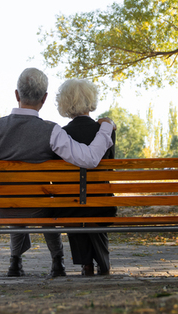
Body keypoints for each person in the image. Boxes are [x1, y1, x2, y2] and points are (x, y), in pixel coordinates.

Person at [0, 68, 116, 278]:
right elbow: (90, 158)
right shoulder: (52, 131)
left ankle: (15, 262)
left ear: (16, 95)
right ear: (45, 98)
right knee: (46, 201)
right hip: (38, 209)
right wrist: (106, 129)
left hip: (1, 209)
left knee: (12, 198)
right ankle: (57, 261)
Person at [55, 79, 117, 276]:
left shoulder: (62, 134)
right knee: (93, 203)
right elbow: (110, 168)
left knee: (74, 205)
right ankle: (102, 261)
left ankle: (86, 264)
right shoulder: (105, 131)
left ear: (65, 103)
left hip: (70, 205)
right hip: (102, 204)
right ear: (91, 100)